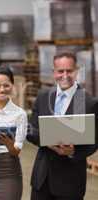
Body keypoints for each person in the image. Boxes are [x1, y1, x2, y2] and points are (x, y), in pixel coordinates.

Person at [27, 51, 98, 200]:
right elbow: (31, 130)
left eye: (69, 71)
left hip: (70, 182)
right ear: (54, 72)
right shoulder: (43, 96)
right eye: (60, 71)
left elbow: (94, 142)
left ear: (76, 71)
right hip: (42, 179)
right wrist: (49, 141)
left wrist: (72, 152)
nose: (65, 75)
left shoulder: (87, 101)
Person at [0, 66, 27, 200]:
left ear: (12, 86)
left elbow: (16, 151)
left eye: (6, 85)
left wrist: (9, 144)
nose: (2, 89)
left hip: (8, 170)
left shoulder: (19, 114)